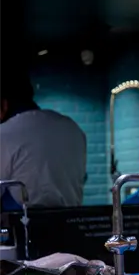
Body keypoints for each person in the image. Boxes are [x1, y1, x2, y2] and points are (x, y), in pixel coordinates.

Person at [0, 68, 87, 209]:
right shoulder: (72, 128)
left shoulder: (4, 134)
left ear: (3, 104)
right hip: (72, 223)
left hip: (23, 226)